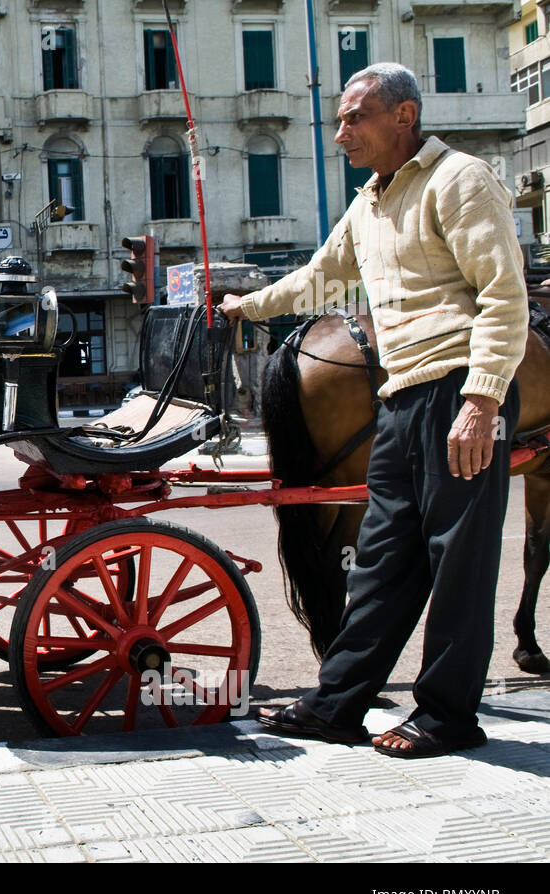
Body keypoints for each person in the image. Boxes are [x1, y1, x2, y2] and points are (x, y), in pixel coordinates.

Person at [219, 63, 527, 758]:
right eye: (340, 119)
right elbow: (320, 275)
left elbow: (503, 297)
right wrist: (247, 303)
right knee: (384, 559)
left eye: (356, 117)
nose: (342, 132)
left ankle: (447, 716)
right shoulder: (370, 202)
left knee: (458, 562)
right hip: (399, 400)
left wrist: (482, 400)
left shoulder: (460, 180)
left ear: (404, 117)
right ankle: (338, 705)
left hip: (457, 391)